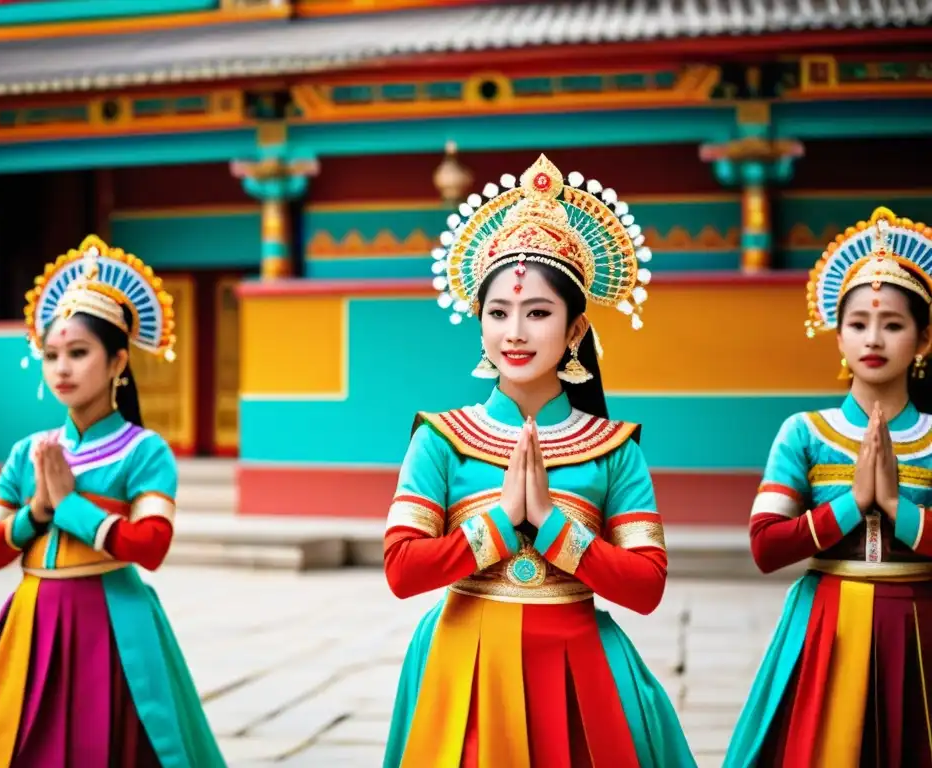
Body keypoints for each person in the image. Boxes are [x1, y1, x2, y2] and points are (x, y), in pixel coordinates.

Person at [382, 154, 697, 768]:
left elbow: (648, 585)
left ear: (576, 328)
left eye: (538, 313)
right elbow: (401, 571)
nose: (515, 332)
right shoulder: (440, 438)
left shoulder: (613, 446)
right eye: (498, 313)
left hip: (580, 665)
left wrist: (552, 527)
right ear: (480, 326)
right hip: (462, 662)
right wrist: (499, 525)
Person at [0, 235, 225, 768]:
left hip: (114, 620)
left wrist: (70, 508)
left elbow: (152, 546)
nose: (61, 368)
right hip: (32, 617)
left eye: (78, 353)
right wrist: (37, 512)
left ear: (117, 363)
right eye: (51, 355)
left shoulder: (145, 451)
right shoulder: (29, 453)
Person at [724, 207, 932, 767]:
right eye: (859, 323)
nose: (874, 338)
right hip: (825, 624)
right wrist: (852, 504)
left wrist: (893, 505)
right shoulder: (805, 433)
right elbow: (767, 546)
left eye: (893, 324)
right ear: (837, 334)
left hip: (922, 627)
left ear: (923, 337)